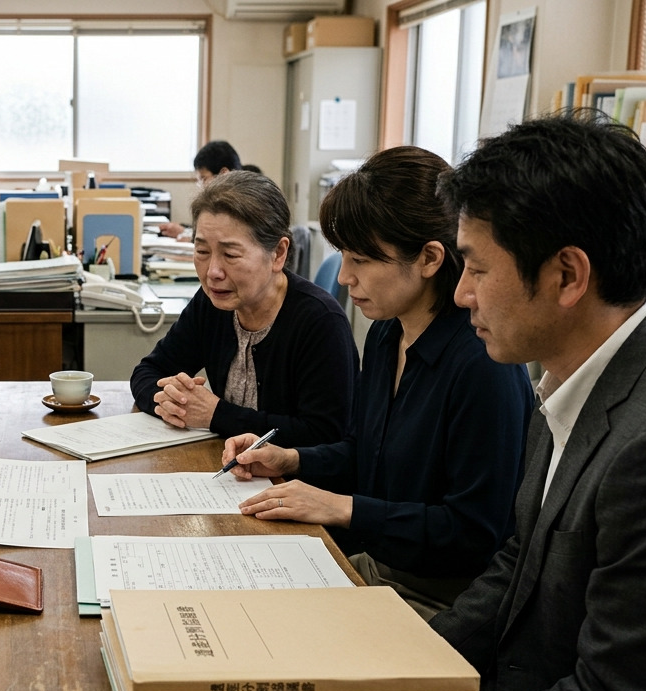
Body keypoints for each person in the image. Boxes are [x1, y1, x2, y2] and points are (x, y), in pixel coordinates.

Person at [428, 112, 646, 691]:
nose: (459, 295)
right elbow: (520, 562)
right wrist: (404, 668)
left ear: (566, 276)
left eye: (476, 269)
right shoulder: (566, 373)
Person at [221, 146, 534, 619]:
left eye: (362, 260)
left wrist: (342, 508)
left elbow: (474, 533)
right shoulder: (387, 332)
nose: (345, 277)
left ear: (430, 258)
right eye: (343, 257)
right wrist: (290, 458)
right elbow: (368, 453)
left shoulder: (481, 363)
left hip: (443, 599)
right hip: (381, 567)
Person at [130, 171, 357, 447]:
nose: (213, 272)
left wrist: (216, 414)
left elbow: (324, 435)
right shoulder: (212, 303)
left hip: (293, 485)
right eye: (202, 252)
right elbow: (148, 371)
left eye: (231, 255)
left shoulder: (320, 322)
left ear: (278, 254)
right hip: (231, 472)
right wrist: (172, 403)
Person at [158, 140, 243, 239]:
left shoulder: (242, 204)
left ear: (224, 174)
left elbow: (221, 239)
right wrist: (184, 230)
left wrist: (186, 235)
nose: (201, 185)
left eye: (204, 178)